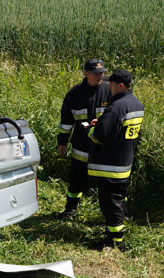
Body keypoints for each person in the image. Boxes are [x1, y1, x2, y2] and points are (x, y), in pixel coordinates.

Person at [87, 69, 144, 251]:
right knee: (119, 200)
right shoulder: (136, 104)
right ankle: (115, 233)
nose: (108, 88)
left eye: (110, 84)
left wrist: (91, 130)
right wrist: (103, 122)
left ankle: (115, 241)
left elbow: (102, 137)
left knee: (109, 203)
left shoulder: (117, 106)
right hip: (124, 162)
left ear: (119, 85)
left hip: (110, 165)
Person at [57, 59, 112, 219]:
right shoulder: (74, 94)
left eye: (102, 73)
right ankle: (70, 210)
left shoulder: (109, 90)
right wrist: (62, 141)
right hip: (81, 146)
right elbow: (66, 120)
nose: (99, 76)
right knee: (76, 180)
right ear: (85, 73)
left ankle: (110, 215)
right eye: (95, 73)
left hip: (103, 146)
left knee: (106, 184)